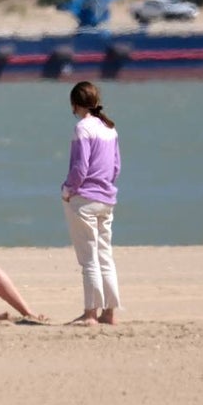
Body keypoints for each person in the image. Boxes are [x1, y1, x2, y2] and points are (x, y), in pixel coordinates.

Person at [61, 80, 122, 326]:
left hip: (85, 199)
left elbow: (79, 168)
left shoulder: (82, 129)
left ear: (75, 105)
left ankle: (90, 313)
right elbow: (116, 166)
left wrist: (67, 190)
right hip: (107, 198)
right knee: (105, 255)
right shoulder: (110, 129)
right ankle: (110, 312)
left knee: (89, 258)